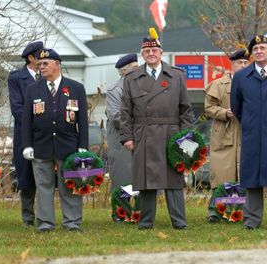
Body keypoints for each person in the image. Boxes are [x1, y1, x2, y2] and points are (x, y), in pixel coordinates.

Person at [120, 31, 194, 230]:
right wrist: (127, 137)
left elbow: (185, 110)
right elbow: (125, 111)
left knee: (174, 180)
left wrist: (185, 139)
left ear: (161, 52)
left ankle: (179, 222)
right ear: (142, 54)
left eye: (154, 50)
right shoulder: (132, 78)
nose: (151, 53)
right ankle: (145, 223)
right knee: (146, 181)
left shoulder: (176, 76)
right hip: (143, 134)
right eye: (146, 50)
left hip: (172, 135)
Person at [21, 48, 89, 232]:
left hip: (68, 146)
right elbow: (26, 120)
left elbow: (83, 121)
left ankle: (72, 222)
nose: (41, 67)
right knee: (44, 187)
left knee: (69, 185)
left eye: (45, 63)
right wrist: (27, 145)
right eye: (39, 64)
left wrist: (83, 146)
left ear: (57, 64)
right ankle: (45, 223)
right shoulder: (33, 89)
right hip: (41, 146)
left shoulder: (75, 88)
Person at [204, 49, 250, 223]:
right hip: (224, 135)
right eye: (240, 62)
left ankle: (237, 212)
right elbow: (208, 108)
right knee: (223, 175)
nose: (243, 65)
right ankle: (215, 211)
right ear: (232, 64)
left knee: (243, 176)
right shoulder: (218, 84)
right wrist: (224, 112)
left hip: (245, 134)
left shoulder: (254, 83)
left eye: (246, 63)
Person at [231, 34, 267, 230]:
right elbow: (236, 107)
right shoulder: (241, 77)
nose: (259, 51)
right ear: (252, 54)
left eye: (263, 48)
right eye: (256, 49)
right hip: (252, 135)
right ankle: (252, 220)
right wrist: (250, 122)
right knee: (252, 178)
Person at [8, 41, 43, 227]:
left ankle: (46, 217)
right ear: (31, 58)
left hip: (47, 136)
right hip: (26, 135)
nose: (44, 60)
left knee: (45, 179)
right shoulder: (16, 78)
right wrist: (40, 123)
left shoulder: (47, 75)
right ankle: (28, 218)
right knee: (26, 177)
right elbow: (18, 109)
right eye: (40, 56)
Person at [106, 53, 139, 222]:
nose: (138, 70)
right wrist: (141, 122)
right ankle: (121, 214)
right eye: (134, 68)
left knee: (139, 179)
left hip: (139, 141)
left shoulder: (142, 88)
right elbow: (116, 117)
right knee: (122, 179)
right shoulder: (115, 91)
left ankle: (139, 214)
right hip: (121, 143)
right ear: (123, 72)